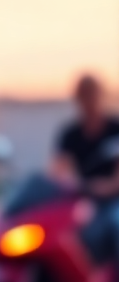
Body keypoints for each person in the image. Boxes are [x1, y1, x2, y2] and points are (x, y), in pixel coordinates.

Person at [51, 73, 119, 261]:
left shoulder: (115, 129)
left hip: (113, 201)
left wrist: (96, 187)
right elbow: (58, 172)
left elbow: (116, 181)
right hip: (82, 200)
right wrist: (71, 183)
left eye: (92, 94)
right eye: (84, 95)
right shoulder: (70, 134)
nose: (89, 101)